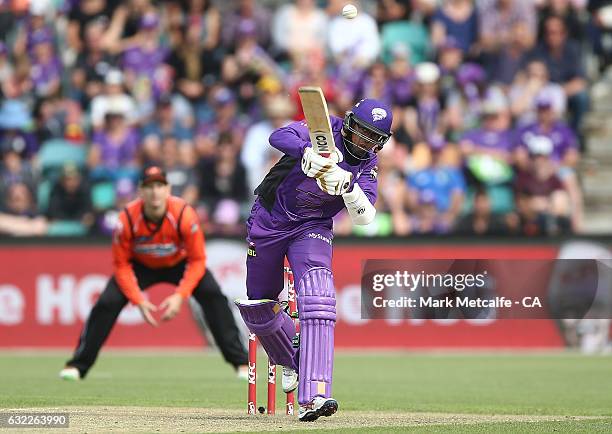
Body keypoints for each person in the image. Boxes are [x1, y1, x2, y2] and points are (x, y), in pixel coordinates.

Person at [235, 98, 393, 421]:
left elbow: (365, 218)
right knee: (258, 307)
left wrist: (347, 187)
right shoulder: (325, 130)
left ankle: (316, 394)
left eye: (371, 138)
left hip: (312, 226)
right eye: (360, 132)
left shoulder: (367, 166)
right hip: (270, 218)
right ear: (349, 123)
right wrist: (306, 152)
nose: (363, 142)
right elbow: (278, 136)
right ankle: (292, 360)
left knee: (319, 294)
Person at [60, 166, 248, 380]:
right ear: (141, 191)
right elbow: (121, 264)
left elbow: (197, 261)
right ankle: (78, 365)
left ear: (168, 189)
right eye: (149, 186)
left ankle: (241, 363)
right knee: (106, 303)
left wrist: (180, 296)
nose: (155, 192)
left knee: (213, 296)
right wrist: (138, 300)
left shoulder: (184, 215)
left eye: (159, 185)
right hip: (141, 266)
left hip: (180, 263)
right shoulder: (128, 219)